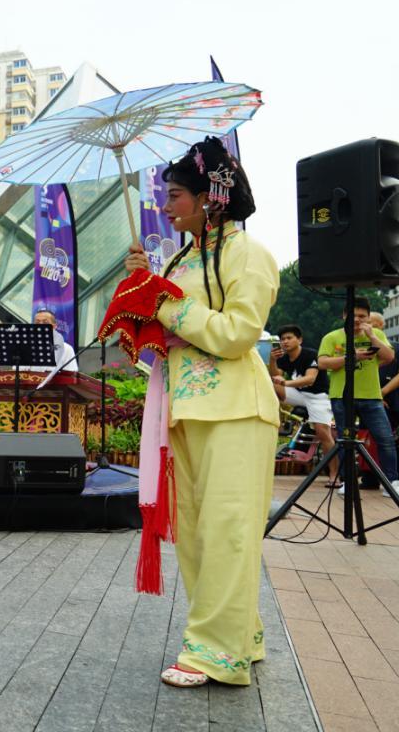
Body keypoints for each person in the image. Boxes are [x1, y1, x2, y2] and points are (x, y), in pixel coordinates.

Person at [118, 136, 279, 688]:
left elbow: (237, 335)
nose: (166, 206)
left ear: (212, 197)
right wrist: (142, 297)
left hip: (236, 408)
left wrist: (165, 302)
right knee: (197, 533)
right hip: (184, 408)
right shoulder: (184, 256)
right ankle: (241, 638)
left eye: (177, 194)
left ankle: (213, 652)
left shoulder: (247, 254)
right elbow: (170, 327)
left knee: (228, 531)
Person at [317, 301, 399, 499]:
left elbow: (390, 357)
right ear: (344, 316)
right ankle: (348, 482)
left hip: (372, 396)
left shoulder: (376, 334)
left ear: (368, 318)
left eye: (362, 316)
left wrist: (372, 336)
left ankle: (392, 483)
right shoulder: (332, 337)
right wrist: (352, 357)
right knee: (345, 440)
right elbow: (323, 363)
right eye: (353, 315)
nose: (357, 319)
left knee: (385, 439)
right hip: (342, 396)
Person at [270, 324, 338, 486]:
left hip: (319, 397)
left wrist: (286, 382)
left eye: (289, 338)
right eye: (282, 339)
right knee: (270, 384)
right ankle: (276, 421)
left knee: (323, 433)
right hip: (299, 395)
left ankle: (334, 475)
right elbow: (275, 375)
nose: (285, 342)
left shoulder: (310, 354)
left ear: (299, 340)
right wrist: (272, 360)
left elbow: (310, 379)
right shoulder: (284, 358)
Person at [371, 312, 399, 492]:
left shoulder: (396, 347)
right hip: (370, 402)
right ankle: (370, 478)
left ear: (381, 326)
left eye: (372, 324)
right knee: (372, 440)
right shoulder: (360, 350)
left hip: (397, 403)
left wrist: (381, 393)